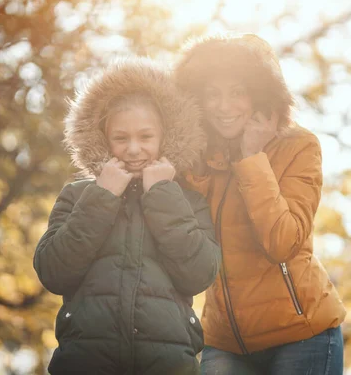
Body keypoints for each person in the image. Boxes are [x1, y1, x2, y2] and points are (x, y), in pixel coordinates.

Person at [33, 58, 221, 375]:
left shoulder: (186, 200)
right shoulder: (78, 195)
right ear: (104, 139)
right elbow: (53, 271)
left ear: (165, 136)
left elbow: (200, 273)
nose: (133, 149)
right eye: (121, 138)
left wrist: (162, 193)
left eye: (146, 137)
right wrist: (103, 195)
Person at [174, 33, 347, 375]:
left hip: (302, 335)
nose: (224, 107)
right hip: (224, 343)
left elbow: (282, 242)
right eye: (213, 95)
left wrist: (251, 157)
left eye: (237, 92)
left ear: (260, 95)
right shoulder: (195, 160)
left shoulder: (299, 147)